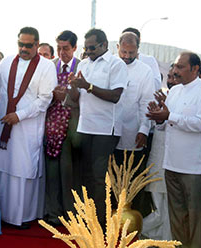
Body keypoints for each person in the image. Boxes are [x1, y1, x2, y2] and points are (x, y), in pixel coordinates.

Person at [147, 51, 201, 248]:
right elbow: (165, 125)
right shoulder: (175, 91)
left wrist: (170, 116)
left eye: (180, 67)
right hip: (171, 164)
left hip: (194, 168)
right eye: (174, 66)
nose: (175, 71)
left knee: (196, 219)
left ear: (195, 69)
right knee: (176, 217)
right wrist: (158, 117)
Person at [0, 27, 57, 229]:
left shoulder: (46, 66)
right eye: (21, 44)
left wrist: (19, 115)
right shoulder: (6, 62)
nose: (24, 49)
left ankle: (20, 217)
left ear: (37, 45)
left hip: (27, 128)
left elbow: (45, 99)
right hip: (2, 126)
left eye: (29, 45)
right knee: (1, 167)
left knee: (21, 170)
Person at [68, 28, 128, 227]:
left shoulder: (116, 64)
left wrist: (88, 86)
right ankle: (89, 218)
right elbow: (76, 99)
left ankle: (101, 224)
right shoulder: (83, 63)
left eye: (92, 47)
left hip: (106, 129)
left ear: (104, 45)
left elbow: (115, 96)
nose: (88, 51)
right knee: (84, 175)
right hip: (86, 126)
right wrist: (75, 86)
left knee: (98, 177)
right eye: (86, 48)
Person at [114, 32, 154, 217]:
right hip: (108, 134)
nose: (127, 56)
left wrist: (144, 129)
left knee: (132, 182)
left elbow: (146, 103)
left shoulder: (145, 71)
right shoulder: (110, 66)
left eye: (132, 52)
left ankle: (132, 222)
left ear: (138, 50)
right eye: (124, 51)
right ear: (117, 48)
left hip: (133, 134)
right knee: (110, 181)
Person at [44, 30, 81, 225]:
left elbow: (84, 99)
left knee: (68, 173)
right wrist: (52, 96)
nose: (61, 52)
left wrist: (65, 97)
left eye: (66, 48)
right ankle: (53, 213)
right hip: (51, 126)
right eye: (58, 48)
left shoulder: (81, 67)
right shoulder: (50, 67)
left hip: (71, 126)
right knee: (51, 172)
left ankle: (70, 214)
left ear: (75, 48)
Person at [142, 63, 177, 241]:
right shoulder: (162, 98)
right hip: (158, 157)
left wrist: (169, 111)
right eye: (169, 77)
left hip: (175, 161)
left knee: (168, 206)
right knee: (157, 203)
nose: (171, 81)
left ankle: (163, 239)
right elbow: (160, 126)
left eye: (175, 77)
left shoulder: (186, 98)